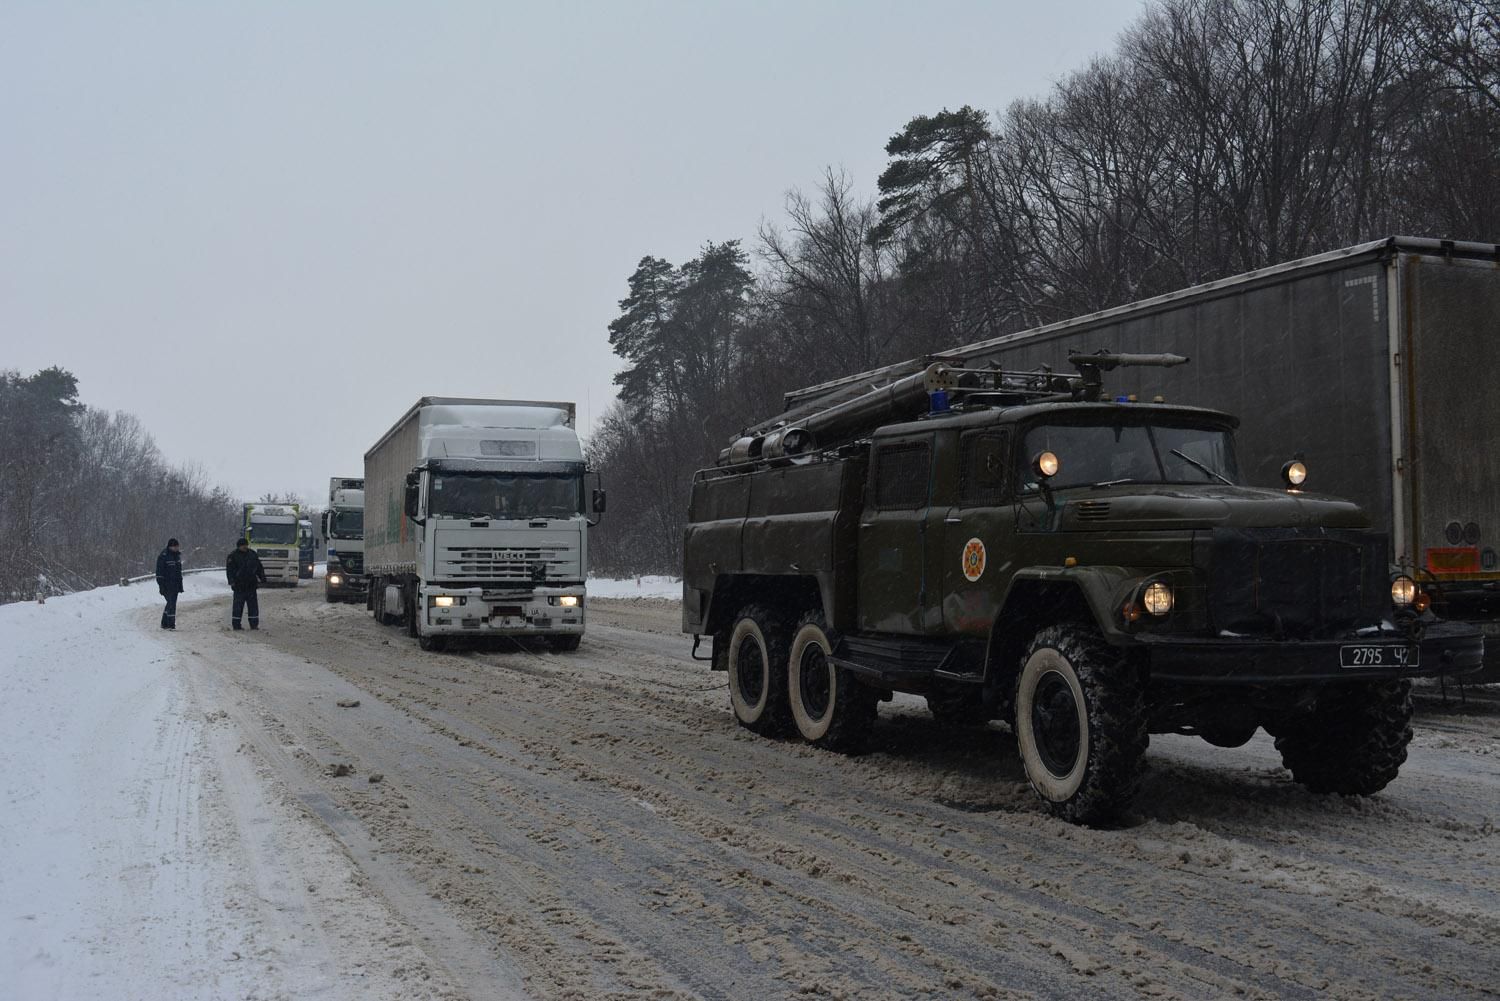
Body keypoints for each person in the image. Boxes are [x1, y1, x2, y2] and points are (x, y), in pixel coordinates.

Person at [225, 538, 267, 630]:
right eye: (242, 545)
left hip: (251, 585)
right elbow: (229, 571)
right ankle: (236, 625)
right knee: (237, 607)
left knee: (253, 606)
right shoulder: (232, 556)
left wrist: (262, 578)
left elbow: (259, 567)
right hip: (239, 586)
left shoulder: (252, 554)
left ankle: (254, 624)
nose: (245, 547)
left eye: (246, 545)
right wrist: (232, 581)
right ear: (238, 546)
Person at [154, 538, 184, 629]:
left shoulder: (177, 556)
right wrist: (161, 586)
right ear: (171, 547)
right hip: (167, 584)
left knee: (171, 603)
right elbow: (159, 572)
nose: (177, 548)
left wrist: (180, 585)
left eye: (178, 546)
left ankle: (165, 623)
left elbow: (179, 572)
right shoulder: (164, 556)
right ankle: (170, 624)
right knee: (171, 604)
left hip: (175, 584)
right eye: (176, 547)